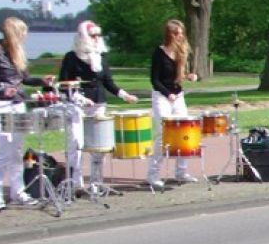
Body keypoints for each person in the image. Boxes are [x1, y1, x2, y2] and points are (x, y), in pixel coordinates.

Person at [58, 20, 139, 193]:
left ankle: (96, 183)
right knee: (76, 143)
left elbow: (108, 82)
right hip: (76, 105)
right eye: (92, 35)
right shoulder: (71, 57)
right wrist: (80, 98)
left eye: (97, 35)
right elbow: (64, 84)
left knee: (98, 146)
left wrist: (124, 95)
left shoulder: (101, 57)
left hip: (98, 103)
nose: (96, 38)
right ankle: (75, 183)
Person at [0, 16, 53, 209]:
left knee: (17, 150)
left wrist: (42, 81)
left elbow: (25, 79)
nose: (24, 37)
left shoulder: (17, 52)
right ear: (14, 33)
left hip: (18, 104)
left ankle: (18, 191)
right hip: (0, 105)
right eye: (22, 33)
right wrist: (2, 90)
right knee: (4, 150)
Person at [147, 19, 200, 191]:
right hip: (161, 96)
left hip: (178, 96)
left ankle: (181, 171)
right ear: (169, 34)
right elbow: (155, 80)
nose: (180, 36)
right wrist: (167, 93)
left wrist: (189, 76)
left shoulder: (180, 52)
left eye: (181, 33)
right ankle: (153, 175)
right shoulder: (159, 52)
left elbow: (177, 77)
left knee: (184, 132)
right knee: (163, 134)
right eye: (176, 33)